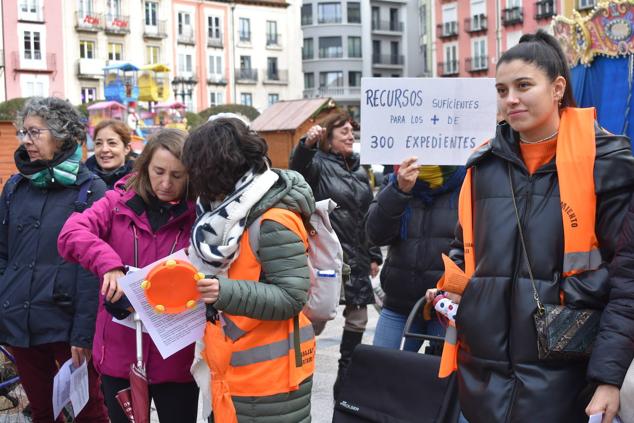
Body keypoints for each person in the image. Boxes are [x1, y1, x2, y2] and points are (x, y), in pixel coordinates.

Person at [427, 30, 634, 423]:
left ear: (557, 88)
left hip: (569, 382)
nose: (511, 100)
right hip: (481, 379)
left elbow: (627, 281)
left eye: (524, 86)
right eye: (502, 90)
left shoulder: (606, 162)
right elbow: (464, 251)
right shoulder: (482, 165)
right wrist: (451, 292)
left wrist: (609, 378)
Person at [58, 129, 199, 423]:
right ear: (145, 166)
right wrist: (108, 263)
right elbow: (71, 233)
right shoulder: (115, 202)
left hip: (176, 353)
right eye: (159, 171)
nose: (165, 183)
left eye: (177, 175)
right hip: (120, 351)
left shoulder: (199, 215)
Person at [183, 117, 315, 422]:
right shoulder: (226, 211)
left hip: (271, 379)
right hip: (235, 371)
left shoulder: (272, 219)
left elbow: (293, 296)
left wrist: (222, 291)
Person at [0, 97, 108, 422]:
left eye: (34, 132)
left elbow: (94, 271)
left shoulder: (90, 190)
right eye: (23, 133)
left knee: (90, 412)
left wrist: (84, 334)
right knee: (44, 413)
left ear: (61, 135)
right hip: (21, 323)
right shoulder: (15, 187)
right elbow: (3, 254)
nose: (26, 141)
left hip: (66, 326)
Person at [290, 111, 382, 398]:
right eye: (343, 132)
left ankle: (346, 378)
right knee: (314, 317)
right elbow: (298, 168)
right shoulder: (317, 164)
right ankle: (295, 370)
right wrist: (307, 144)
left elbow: (368, 213)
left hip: (356, 258)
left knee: (358, 319)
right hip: (324, 257)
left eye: (352, 132)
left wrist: (374, 253)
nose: (350, 136)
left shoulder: (359, 170)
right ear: (328, 139)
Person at [366, 158, 464, 351]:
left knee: (441, 378)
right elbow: (375, 235)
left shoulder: (467, 182)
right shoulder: (395, 180)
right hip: (399, 304)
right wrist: (398, 190)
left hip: (447, 305)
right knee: (383, 374)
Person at [86, 119, 135, 189]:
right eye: (98, 143)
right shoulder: (81, 179)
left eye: (112, 143)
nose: (104, 149)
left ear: (127, 148)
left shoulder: (139, 184)